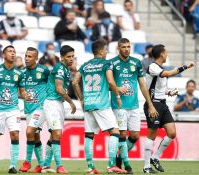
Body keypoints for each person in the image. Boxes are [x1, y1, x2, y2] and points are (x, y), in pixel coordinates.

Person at [72, 39, 128, 174]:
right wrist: (118, 94)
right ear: (102, 51)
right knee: (115, 132)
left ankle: (90, 168)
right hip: (101, 104)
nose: (107, 52)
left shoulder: (85, 65)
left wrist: (82, 100)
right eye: (106, 50)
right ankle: (111, 165)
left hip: (88, 104)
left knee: (89, 135)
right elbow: (110, 80)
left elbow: (74, 82)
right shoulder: (106, 63)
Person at [109, 38, 158, 174]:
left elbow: (142, 85)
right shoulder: (112, 63)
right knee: (122, 134)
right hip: (119, 106)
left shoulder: (136, 62)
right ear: (118, 48)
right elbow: (107, 84)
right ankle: (126, 165)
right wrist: (117, 88)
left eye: (128, 47)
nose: (126, 49)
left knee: (135, 136)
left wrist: (150, 104)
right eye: (123, 47)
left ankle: (119, 157)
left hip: (134, 105)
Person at [143, 44, 194, 173]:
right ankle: (146, 166)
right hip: (153, 104)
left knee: (172, 133)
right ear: (161, 54)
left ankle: (155, 157)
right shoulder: (153, 67)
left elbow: (158, 88)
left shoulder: (159, 68)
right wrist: (185, 67)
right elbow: (167, 74)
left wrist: (169, 92)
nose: (167, 55)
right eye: (166, 52)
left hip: (163, 104)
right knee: (152, 135)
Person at [0, 45, 25, 174]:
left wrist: (26, 95)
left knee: (15, 135)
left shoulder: (19, 73)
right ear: (4, 54)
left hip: (13, 109)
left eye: (14, 51)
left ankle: (12, 166)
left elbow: (22, 92)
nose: (13, 54)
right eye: (10, 51)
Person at [42, 45, 76, 174]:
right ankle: (59, 165)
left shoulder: (66, 70)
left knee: (54, 135)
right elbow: (59, 89)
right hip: (52, 103)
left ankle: (45, 165)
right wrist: (71, 102)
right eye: (68, 57)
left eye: (73, 56)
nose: (71, 59)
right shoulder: (60, 69)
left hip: (58, 104)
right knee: (56, 133)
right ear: (62, 57)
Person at [19, 47, 50, 173]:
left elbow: (52, 85)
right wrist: (22, 94)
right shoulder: (21, 72)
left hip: (41, 108)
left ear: (36, 58)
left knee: (29, 131)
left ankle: (27, 162)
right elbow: (19, 89)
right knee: (35, 136)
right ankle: (41, 165)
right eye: (26, 56)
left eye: (30, 56)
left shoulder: (44, 71)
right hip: (28, 108)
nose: (26, 58)